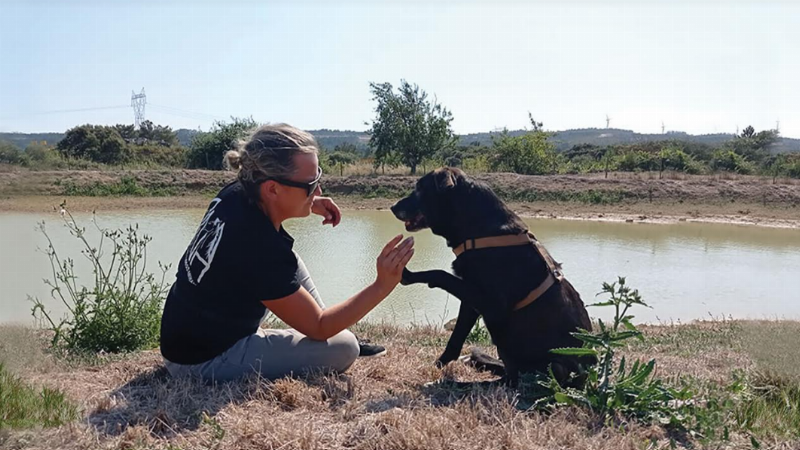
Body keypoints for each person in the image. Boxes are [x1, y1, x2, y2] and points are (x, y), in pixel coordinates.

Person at [160, 123, 414, 382]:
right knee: (345, 347)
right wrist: (382, 286)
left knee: (291, 262)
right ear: (272, 189)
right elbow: (318, 325)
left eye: (318, 178)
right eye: (311, 185)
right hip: (201, 360)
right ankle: (332, 337)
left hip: (185, 335)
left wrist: (308, 202)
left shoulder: (236, 192)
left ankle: (329, 333)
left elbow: (262, 245)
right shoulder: (258, 246)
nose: (319, 191)